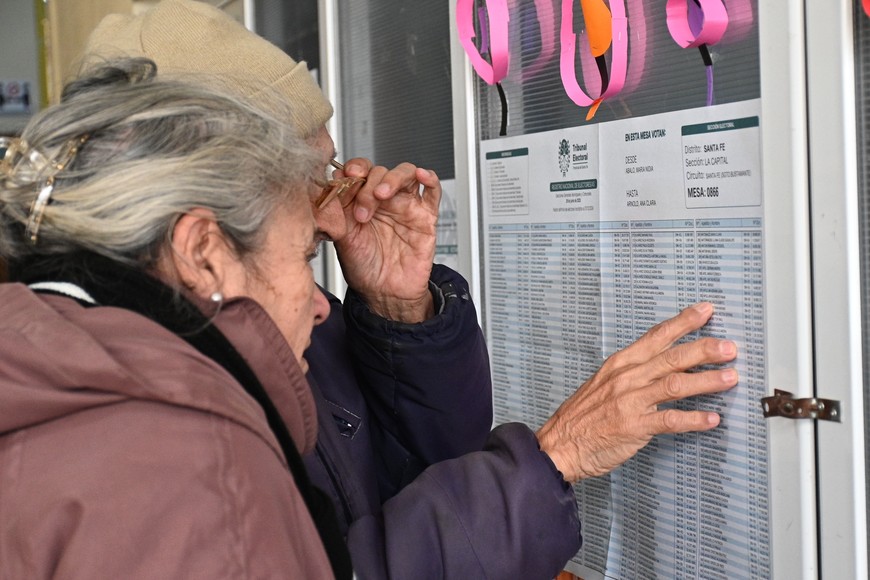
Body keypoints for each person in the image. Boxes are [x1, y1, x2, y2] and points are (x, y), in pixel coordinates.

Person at [78, 2, 740, 578]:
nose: (335, 211)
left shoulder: (256, 318)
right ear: (203, 243)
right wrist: (554, 458)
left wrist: (401, 312)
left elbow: (423, 479)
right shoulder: (126, 425)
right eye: (308, 193)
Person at [0, 59, 349, 578]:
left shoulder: (32, 357)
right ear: (203, 252)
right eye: (304, 257)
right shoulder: (198, 466)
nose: (320, 303)